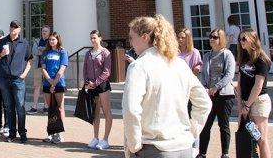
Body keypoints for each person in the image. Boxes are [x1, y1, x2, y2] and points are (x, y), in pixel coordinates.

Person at [123, 14, 211, 157]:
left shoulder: (139, 66)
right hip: (184, 147)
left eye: (132, 37)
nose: (130, 43)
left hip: (154, 147)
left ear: (144, 37)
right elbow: (204, 103)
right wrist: (191, 131)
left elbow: (131, 109)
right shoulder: (179, 64)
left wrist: (133, 145)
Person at [197, 29, 236, 158]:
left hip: (224, 95)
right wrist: (205, 88)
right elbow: (203, 74)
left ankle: (225, 153)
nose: (212, 39)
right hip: (209, 95)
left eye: (215, 37)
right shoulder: (207, 55)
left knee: (223, 125)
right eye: (210, 37)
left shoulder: (227, 54)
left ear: (221, 39)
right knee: (206, 124)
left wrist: (216, 87)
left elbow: (229, 74)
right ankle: (202, 153)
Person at [0, 20, 33, 143]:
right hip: (4, 79)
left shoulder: (24, 43)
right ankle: (11, 133)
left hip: (18, 80)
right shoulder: (2, 41)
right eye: (12, 27)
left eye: (16, 27)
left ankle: (22, 133)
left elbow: (30, 60)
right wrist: (1, 53)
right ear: (9, 28)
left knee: (20, 108)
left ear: (20, 29)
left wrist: (24, 74)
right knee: (9, 108)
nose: (13, 29)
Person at [236, 29, 272, 158]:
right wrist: (241, 105)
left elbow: (258, 86)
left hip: (259, 101)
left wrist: (247, 105)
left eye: (244, 39)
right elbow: (239, 84)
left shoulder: (261, 60)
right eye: (240, 39)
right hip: (245, 102)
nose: (241, 42)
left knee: (261, 139)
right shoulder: (244, 59)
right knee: (246, 137)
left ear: (253, 39)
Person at [84, 29, 113, 150]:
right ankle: (95, 137)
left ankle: (105, 139)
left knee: (106, 112)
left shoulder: (106, 52)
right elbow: (85, 69)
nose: (92, 40)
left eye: (94, 38)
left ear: (100, 38)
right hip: (91, 86)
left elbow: (107, 71)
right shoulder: (88, 53)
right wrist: (87, 82)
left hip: (102, 86)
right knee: (95, 114)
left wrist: (96, 83)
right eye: (91, 38)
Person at [41, 31, 68, 144]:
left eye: (53, 39)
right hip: (47, 83)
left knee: (60, 108)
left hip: (59, 83)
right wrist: (49, 81)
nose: (51, 41)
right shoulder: (45, 52)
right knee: (50, 108)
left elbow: (62, 68)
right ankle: (51, 132)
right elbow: (43, 68)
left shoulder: (62, 52)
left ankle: (59, 133)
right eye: (50, 39)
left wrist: (54, 83)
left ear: (58, 40)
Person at [29, 25, 50, 114]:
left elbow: (50, 52)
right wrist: (43, 50)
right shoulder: (37, 41)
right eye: (43, 31)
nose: (44, 32)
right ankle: (34, 107)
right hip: (38, 66)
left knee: (46, 87)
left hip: (48, 68)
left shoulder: (51, 41)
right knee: (36, 87)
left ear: (49, 32)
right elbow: (34, 51)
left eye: (46, 31)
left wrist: (41, 50)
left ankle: (46, 107)